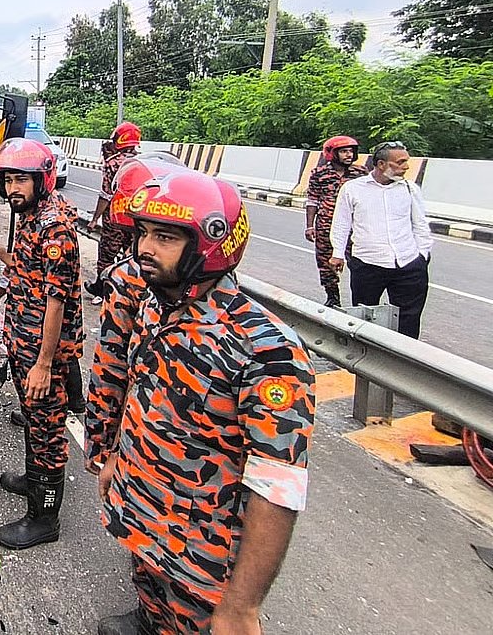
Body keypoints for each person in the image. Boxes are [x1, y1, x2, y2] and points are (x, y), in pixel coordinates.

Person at [96, 170, 316, 635]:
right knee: (150, 604)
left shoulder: (266, 350)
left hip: (202, 557)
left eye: (165, 237)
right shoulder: (157, 307)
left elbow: (276, 488)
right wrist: (116, 457)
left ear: (209, 248)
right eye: (144, 233)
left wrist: (242, 607)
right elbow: (140, 393)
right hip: (145, 515)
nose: (143, 250)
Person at [0, 137, 84, 550]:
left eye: (22, 180)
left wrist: (44, 364)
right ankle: (33, 481)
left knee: (49, 433)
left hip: (42, 349)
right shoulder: (32, 216)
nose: (13, 189)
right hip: (24, 340)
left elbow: (58, 299)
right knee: (35, 423)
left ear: (43, 180)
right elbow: (26, 266)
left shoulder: (55, 229)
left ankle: (44, 517)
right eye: (9, 180)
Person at [83, 153, 186, 473]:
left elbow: (110, 368)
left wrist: (99, 446)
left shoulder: (127, 276)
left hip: (142, 447)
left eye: (164, 236)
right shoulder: (202, 271)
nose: (148, 248)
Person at [329, 140, 433, 339]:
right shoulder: (353, 189)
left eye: (406, 162)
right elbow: (342, 223)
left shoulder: (410, 189)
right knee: (366, 317)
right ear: (381, 164)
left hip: (408, 263)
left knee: (408, 320)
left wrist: (422, 256)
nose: (406, 167)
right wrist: (337, 253)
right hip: (368, 264)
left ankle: (405, 361)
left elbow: (420, 224)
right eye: (400, 162)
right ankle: (367, 362)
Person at [304, 135, 366, 307]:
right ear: (332, 153)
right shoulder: (319, 174)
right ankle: (332, 296)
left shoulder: (360, 174)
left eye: (351, 151)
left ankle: (360, 299)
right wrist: (309, 226)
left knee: (359, 263)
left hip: (355, 228)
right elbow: (313, 200)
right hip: (326, 226)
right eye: (344, 151)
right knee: (325, 263)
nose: (348, 155)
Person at [85, 122, 142, 301]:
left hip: (115, 219)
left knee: (106, 256)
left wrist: (94, 220)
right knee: (131, 256)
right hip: (135, 219)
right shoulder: (142, 162)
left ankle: (101, 291)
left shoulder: (113, 163)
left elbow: (106, 195)